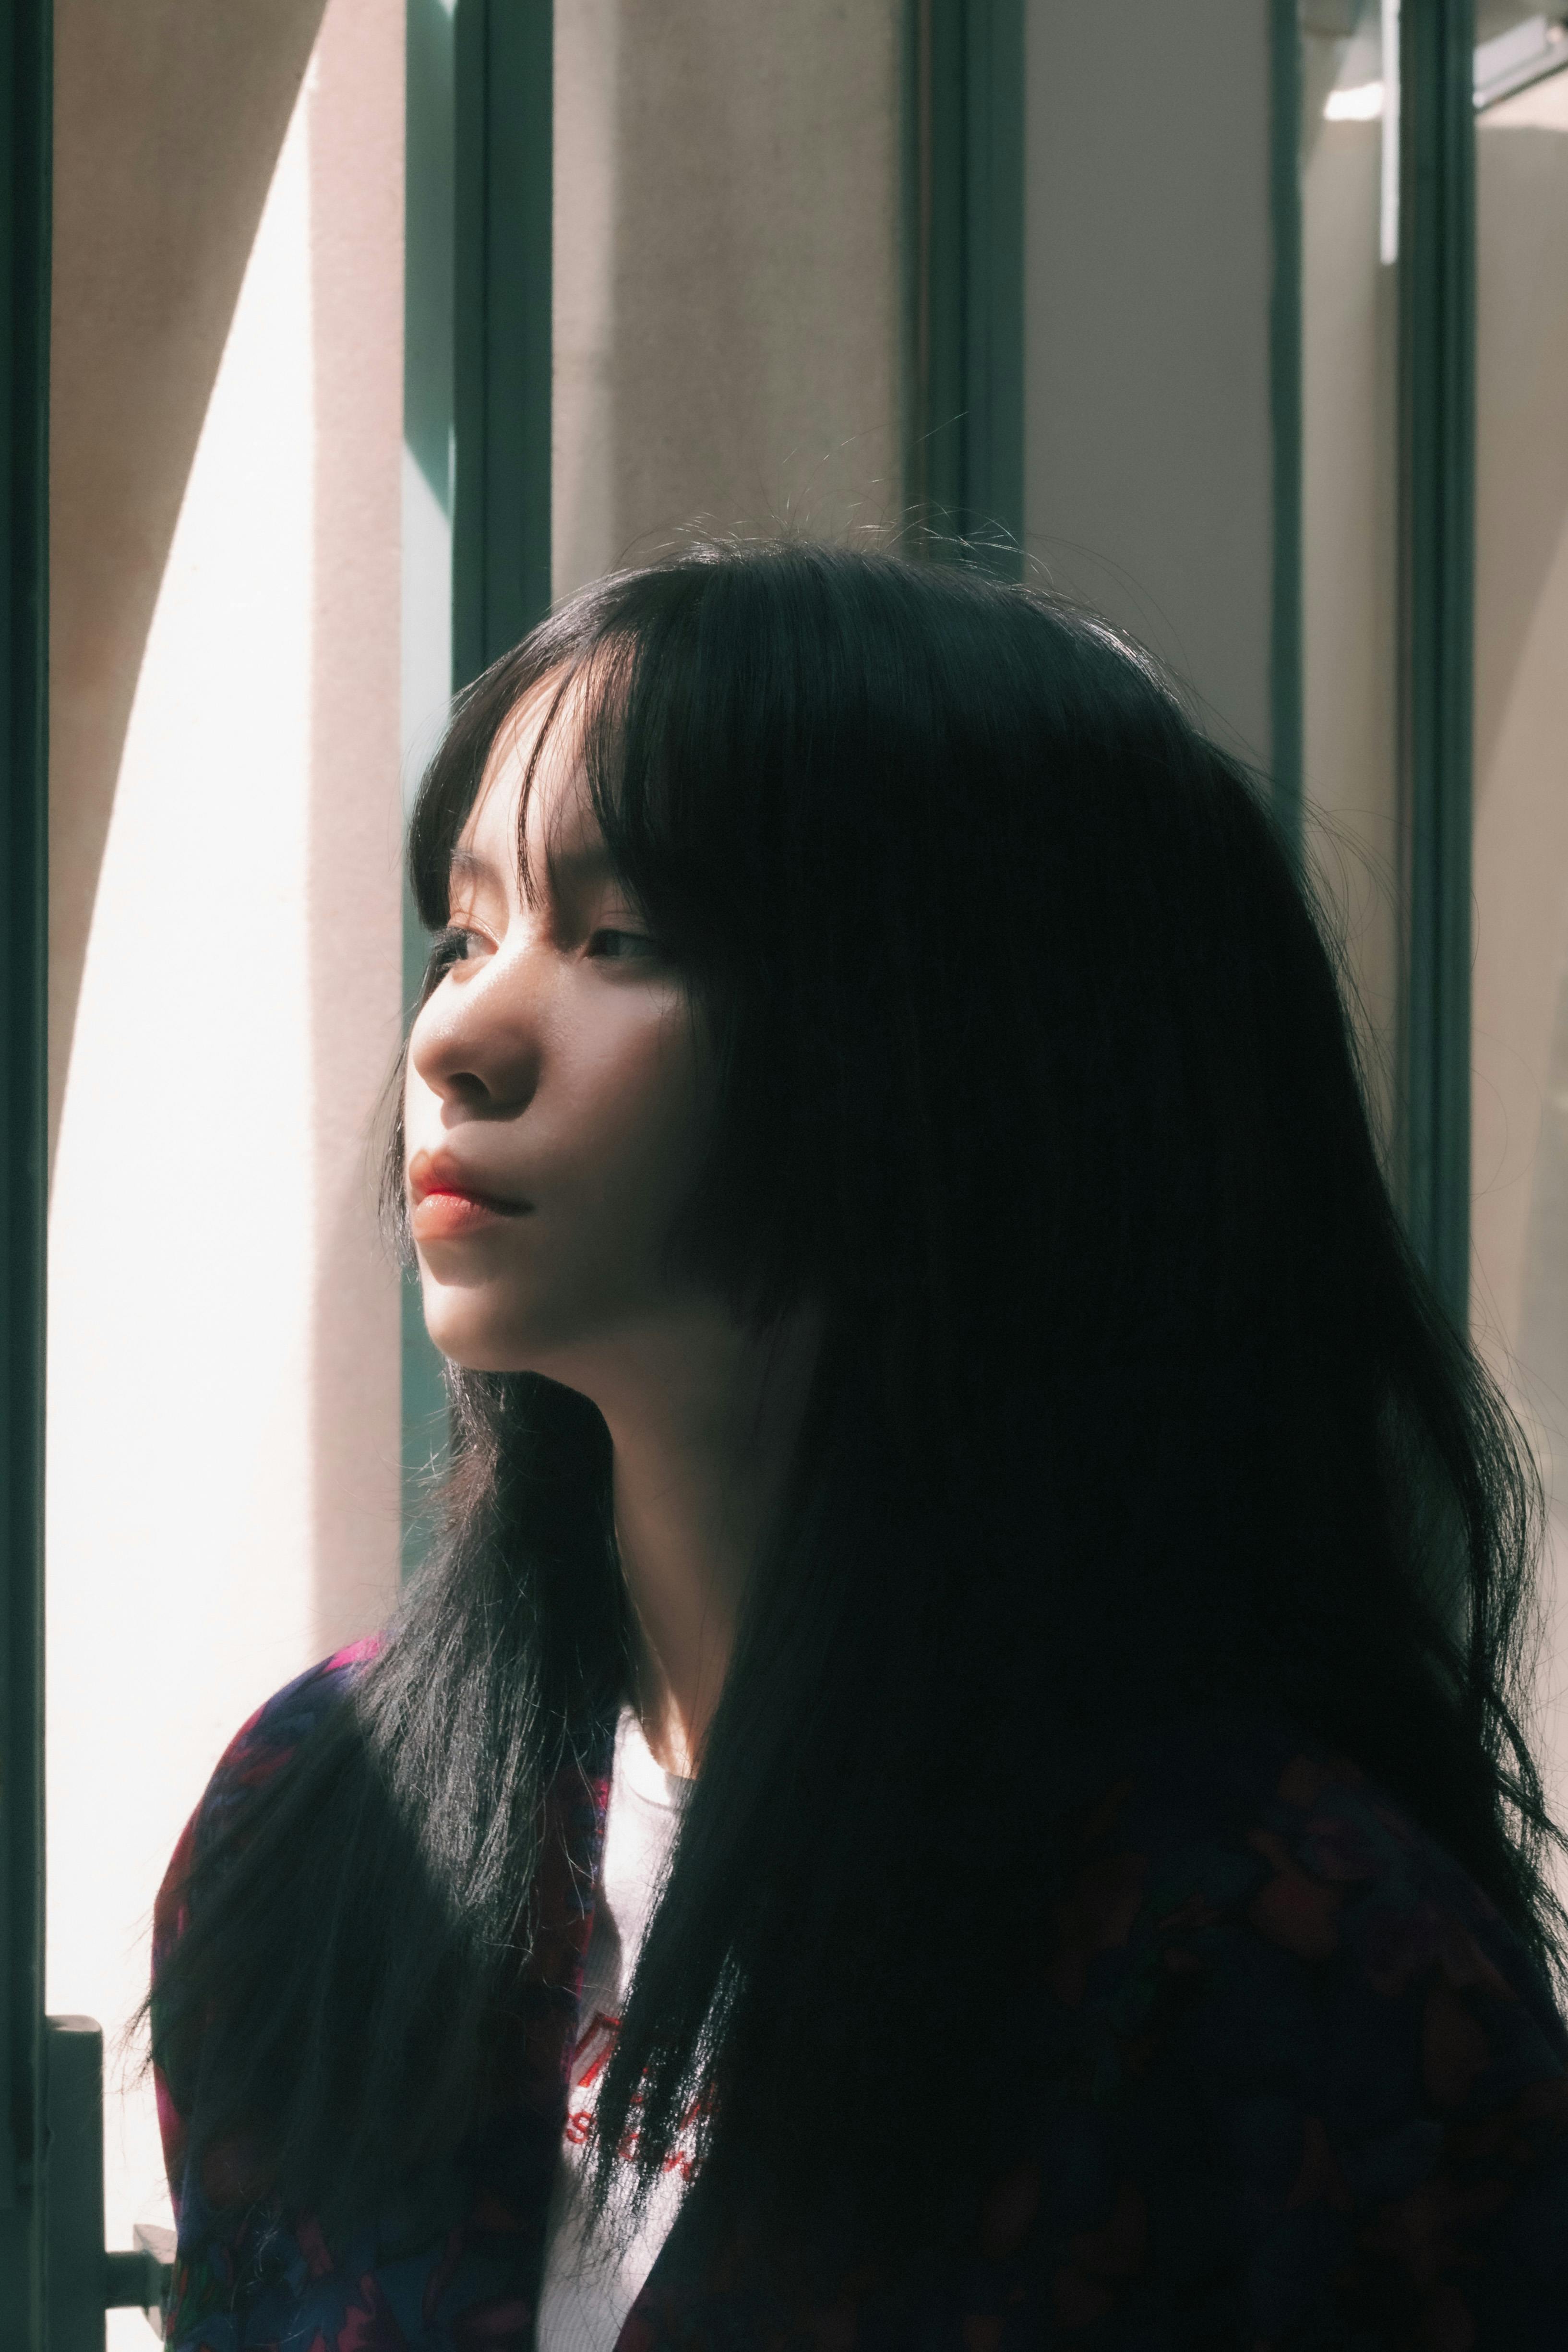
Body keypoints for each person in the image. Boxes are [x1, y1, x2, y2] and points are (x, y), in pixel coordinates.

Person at [149, 540, 1568, 2351]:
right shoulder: (324, 1816)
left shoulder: (1277, 1952)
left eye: (620, 938)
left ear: (970, 1050)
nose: (464, 1033)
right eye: (464, 929)